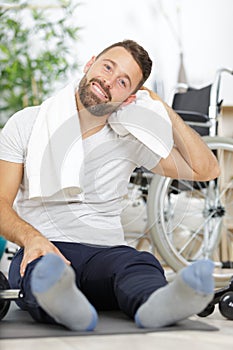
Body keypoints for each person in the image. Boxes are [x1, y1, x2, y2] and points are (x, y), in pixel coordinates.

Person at [0, 40, 220, 331]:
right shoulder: (26, 123)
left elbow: (206, 169)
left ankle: (157, 304)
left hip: (106, 253)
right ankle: (65, 303)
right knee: (45, 271)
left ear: (130, 98)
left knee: (138, 264)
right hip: (46, 245)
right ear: (90, 63)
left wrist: (162, 108)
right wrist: (32, 240)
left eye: (123, 82)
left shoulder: (130, 137)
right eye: (107, 66)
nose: (108, 81)